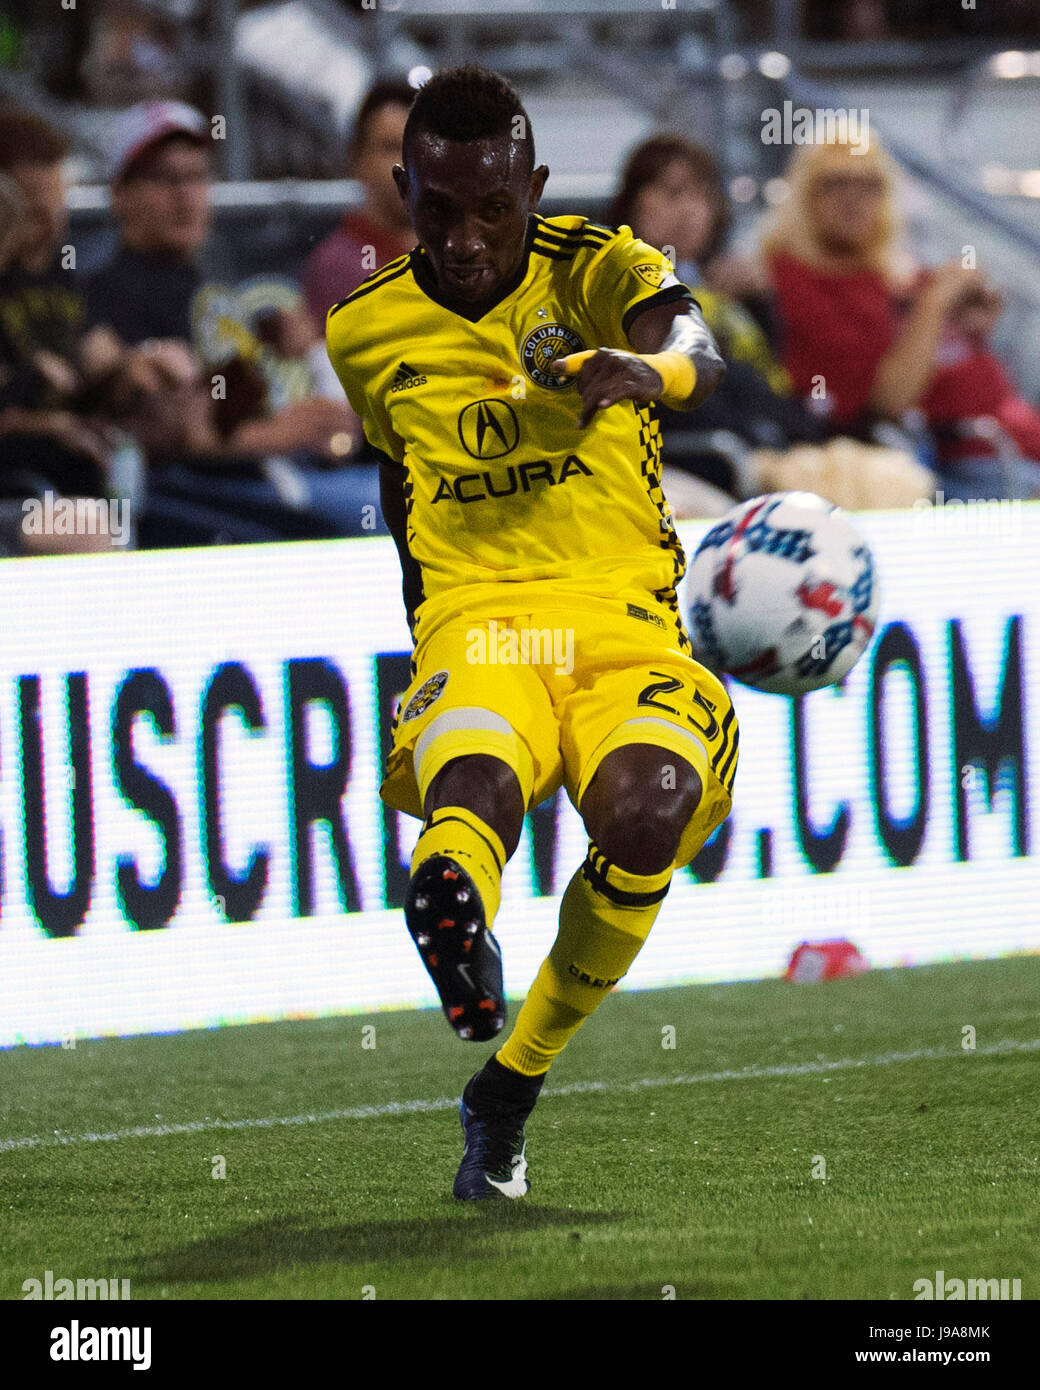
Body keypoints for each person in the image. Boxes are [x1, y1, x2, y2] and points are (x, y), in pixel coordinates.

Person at [327, 66, 736, 1201]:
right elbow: (398, 477)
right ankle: (454, 920)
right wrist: (425, 617)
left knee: (647, 813)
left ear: (537, 190)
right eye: (438, 211)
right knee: (475, 782)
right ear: (404, 192)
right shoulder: (363, 329)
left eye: (493, 210)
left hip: (620, 621)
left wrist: (645, 369)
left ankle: (507, 1084)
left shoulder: (599, 267)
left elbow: (699, 350)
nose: (464, 240)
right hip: (478, 619)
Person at [86, 99, 385, 543]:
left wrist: (282, 343)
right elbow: (156, 434)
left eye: (197, 176)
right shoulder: (109, 292)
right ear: (120, 192)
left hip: (272, 475)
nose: (186, 195)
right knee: (383, 514)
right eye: (166, 178)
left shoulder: (212, 271)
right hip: (193, 494)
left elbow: (230, 389)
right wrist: (286, 432)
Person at [763, 136, 1040, 499]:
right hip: (960, 462)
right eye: (836, 183)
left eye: (869, 184)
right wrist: (934, 304)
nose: (854, 198)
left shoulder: (891, 275)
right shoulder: (789, 279)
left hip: (1008, 444)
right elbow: (886, 404)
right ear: (804, 195)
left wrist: (966, 322)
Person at [301, 79, 417, 327]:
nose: (407, 162)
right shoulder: (336, 266)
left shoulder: (454, 253)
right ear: (357, 159)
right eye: (390, 148)